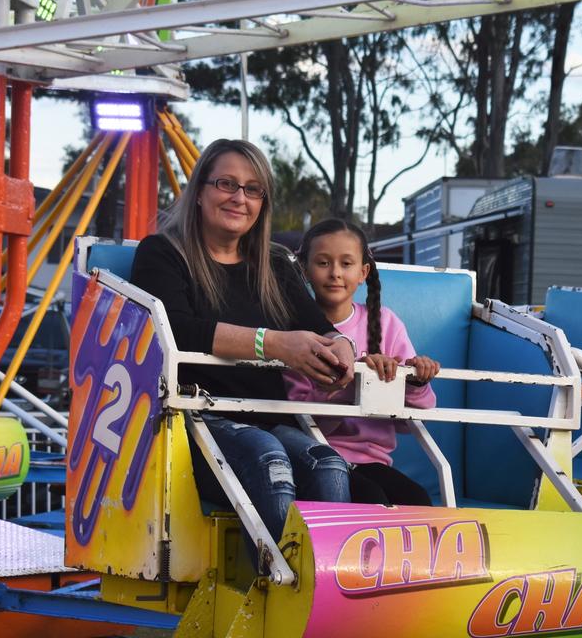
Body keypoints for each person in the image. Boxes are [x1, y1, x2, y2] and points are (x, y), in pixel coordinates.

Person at [129, 139, 354, 558]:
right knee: (269, 460)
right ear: (199, 192)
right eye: (226, 184)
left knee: (329, 465)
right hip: (193, 421)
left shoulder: (276, 265)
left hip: (268, 419)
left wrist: (342, 345)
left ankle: (324, 598)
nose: (239, 198)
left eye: (253, 189)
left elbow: (319, 327)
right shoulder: (162, 252)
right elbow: (176, 329)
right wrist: (272, 343)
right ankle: (275, 599)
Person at [286, 218, 439, 506]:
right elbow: (301, 421)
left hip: (373, 462)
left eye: (346, 264)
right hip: (319, 458)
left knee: (416, 500)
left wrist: (416, 381)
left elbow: (411, 421)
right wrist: (355, 383)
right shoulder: (295, 333)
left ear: (363, 272)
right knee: (370, 499)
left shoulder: (386, 323)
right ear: (304, 270)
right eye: (323, 263)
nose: (335, 274)